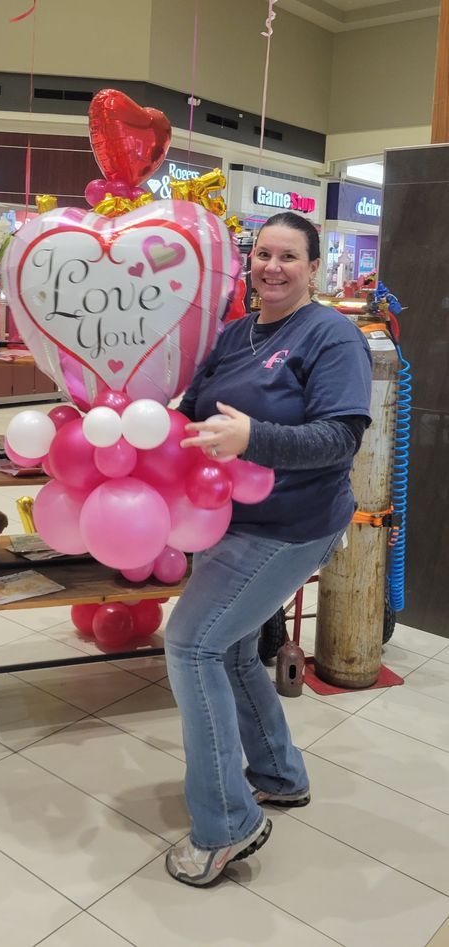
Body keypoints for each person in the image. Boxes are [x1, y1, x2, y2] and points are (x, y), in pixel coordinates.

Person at [164, 211, 373, 887]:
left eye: (288, 256)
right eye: (261, 254)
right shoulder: (236, 332)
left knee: (191, 644)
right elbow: (195, 406)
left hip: (290, 524)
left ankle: (226, 823)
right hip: (225, 516)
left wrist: (251, 438)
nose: (271, 267)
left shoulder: (331, 335)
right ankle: (279, 775)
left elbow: (339, 439)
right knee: (223, 647)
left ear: (314, 266)